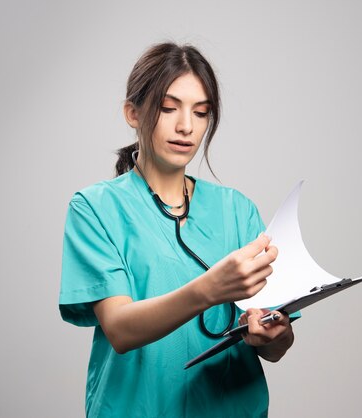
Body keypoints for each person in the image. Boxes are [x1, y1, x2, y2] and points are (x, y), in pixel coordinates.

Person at [59, 42, 299, 418]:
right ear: (133, 113)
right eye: (169, 108)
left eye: (201, 113)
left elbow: (275, 345)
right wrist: (208, 290)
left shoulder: (237, 210)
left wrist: (275, 333)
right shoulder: (95, 209)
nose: (186, 126)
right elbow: (120, 329)